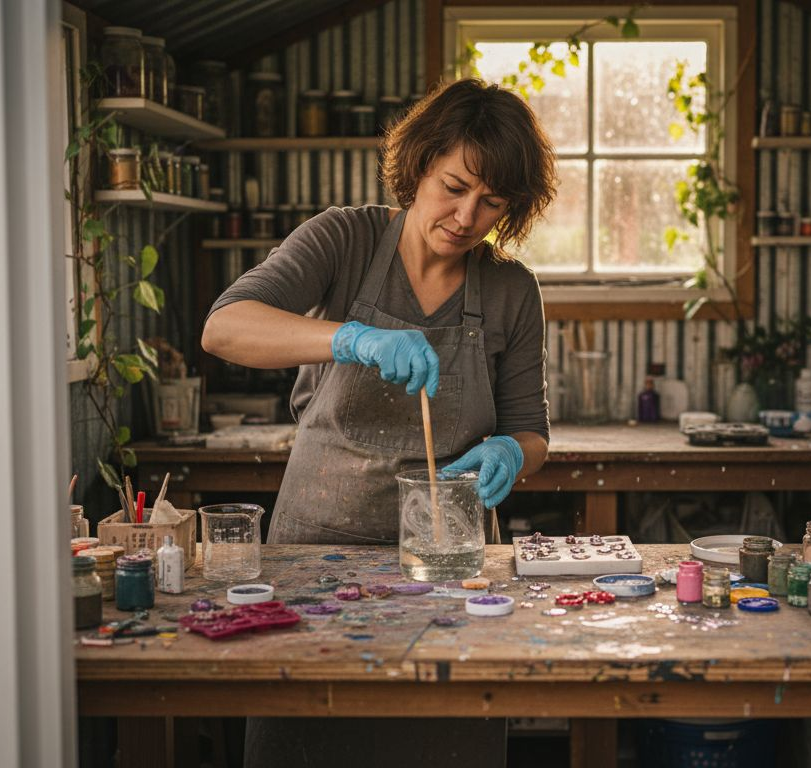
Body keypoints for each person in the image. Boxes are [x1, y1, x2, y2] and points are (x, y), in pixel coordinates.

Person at [201, 78, 557, 768]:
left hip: (451, 568)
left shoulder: (512, 289)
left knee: (443, 745)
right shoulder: (344, 238)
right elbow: (224, 328)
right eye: (454, 186)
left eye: (491, 202)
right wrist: (350, 338)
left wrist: (512, 452)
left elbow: (531, 428)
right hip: (315, 556)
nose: (467, 216)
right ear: (420, 164)